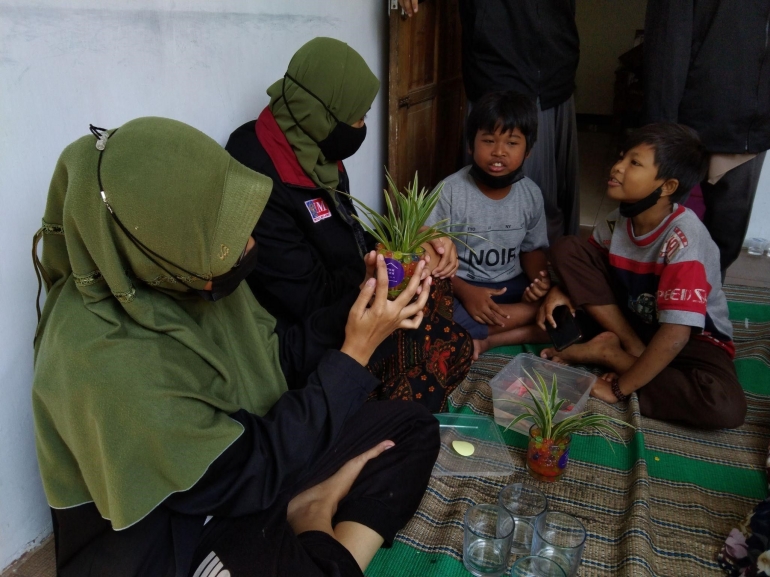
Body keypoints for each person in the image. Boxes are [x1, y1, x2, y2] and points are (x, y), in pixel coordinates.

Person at [31, 117, 441, 576]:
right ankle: (315, 518)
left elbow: (275, 357)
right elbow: (250, 471)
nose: (248, 244)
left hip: (253, 461)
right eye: (229, 236)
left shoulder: (180, 269)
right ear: (159, 242)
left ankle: (309, 512)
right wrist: (354, 357)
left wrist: (361, 302)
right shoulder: (101, 360)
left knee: (412, 427)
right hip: (180, 528)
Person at [226, 37, 472, 412]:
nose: (361, 126)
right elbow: (306, 300)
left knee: (432, 280)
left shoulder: (311, 144)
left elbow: (346, 231)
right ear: (322, 113)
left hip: (345, 295)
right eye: (356, 116)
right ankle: (376, 424)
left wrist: (410, 243)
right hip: (305, 335)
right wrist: (384, 273)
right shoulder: (257, 179)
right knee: (445, 349)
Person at [538, 123, 746, 429]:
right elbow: (585, 265)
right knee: (567, 248)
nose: (618, 167)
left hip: (692, 337)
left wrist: (619, 387)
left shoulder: (684, 240)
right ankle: (630, 348)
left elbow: (676, 335)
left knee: (722, 407)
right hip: (637, 321)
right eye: (621, 158)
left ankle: (610, 354)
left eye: (634, 163)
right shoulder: (615, 222)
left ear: (667, 186)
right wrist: (561, 287)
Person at [399, 0, 580, 243]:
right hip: (496, 63)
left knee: (546, 200)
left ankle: (547, 270)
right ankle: (486, 264)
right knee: (490, 194)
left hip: (557, 68)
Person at [644, 0, 770, 278]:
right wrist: (660, 127)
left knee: (724, 240)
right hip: (690, 117)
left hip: (753, 126)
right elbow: (667, 41)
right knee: (661, 228)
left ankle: (706, 301)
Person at [425, 91, 550, 360]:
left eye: (512, 143)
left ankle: (489, 338)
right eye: (489, 140)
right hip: (462, 287)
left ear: (528, 150)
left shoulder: (530, 194)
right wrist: (467, 292)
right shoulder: (450, 191)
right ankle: (528, 320)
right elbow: (430, 254)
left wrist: (542, 284)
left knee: (565, 315)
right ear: (471, 144)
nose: (499, 152)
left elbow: (532, 249)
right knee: (430, 313)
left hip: (512, 288)